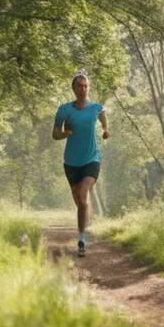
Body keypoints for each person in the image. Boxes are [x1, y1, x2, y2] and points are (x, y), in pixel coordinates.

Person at [52, 71, 108, 257]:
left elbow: (102, 114)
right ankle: (85, 220)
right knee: (79, 200)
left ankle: (82, 238)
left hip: (92, 159)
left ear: (88, 88)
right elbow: (55, 134)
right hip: (71, 163)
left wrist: (106, 130)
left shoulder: (95, 107)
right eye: (79, 86)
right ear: (74, 89)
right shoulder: (64, 110)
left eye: (85, 86)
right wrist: (65, 133)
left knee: (83, 195)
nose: (83, 89)